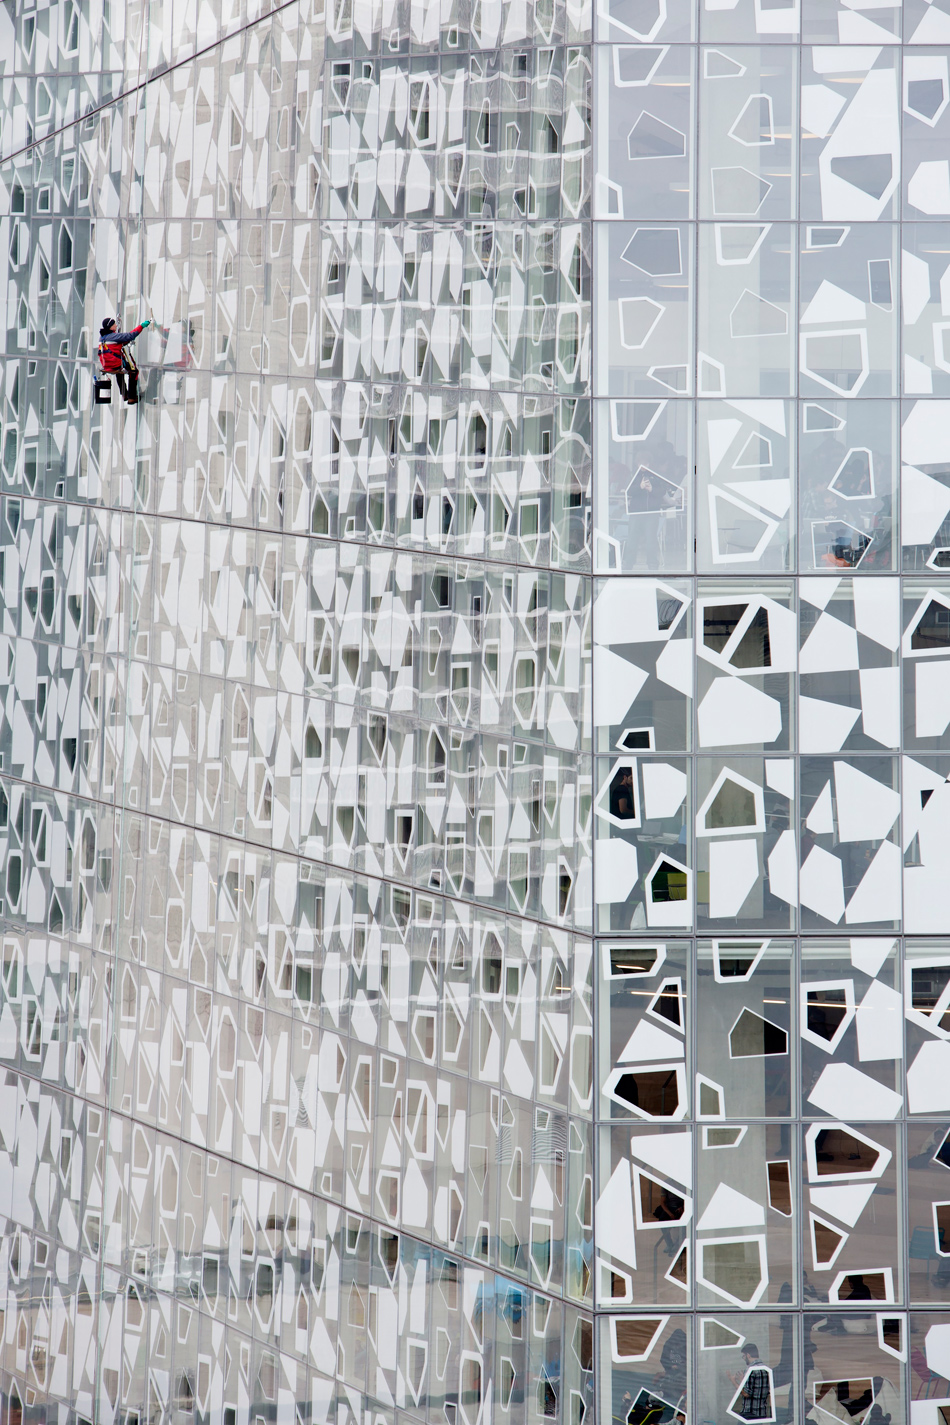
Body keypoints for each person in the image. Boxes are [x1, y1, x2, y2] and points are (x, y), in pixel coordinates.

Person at [97, 316, 151, 404]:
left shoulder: (102, 337)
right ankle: (132, 397)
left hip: (107, 365)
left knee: (119, 372)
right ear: (110, 327)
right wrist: (141, 326)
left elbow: (116, 344)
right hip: (115, 364)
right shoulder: (114, 336)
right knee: (134, 371)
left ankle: (124, 394)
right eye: (114, 324)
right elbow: (131, 335)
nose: (115, 325)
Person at [729, 1344, 772, 1420]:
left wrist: (734, 1382)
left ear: (748, 1355)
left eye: (744, 1356)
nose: (744, 1358)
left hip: (749, 1413)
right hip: (762, 1412)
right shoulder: (766, 1369)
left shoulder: (750, 1370)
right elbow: (759, 1389)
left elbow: (746, 1393)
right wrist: (743, 1381)